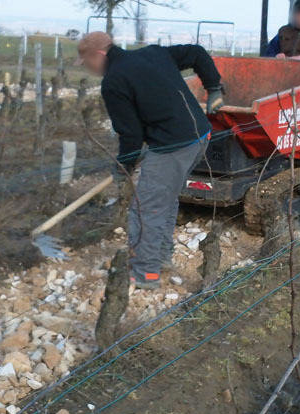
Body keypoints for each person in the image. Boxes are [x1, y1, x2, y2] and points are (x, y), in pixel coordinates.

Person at [77, 31, 224, 290]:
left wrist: (125, 165)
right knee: (164, 201)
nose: (87, 67)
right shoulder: (153, 53)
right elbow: (197, 52)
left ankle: (146, 273)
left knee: (146, 207)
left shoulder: (113, 81)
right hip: (200, 136)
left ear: (99, 54)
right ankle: (161, 259)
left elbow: (131, 134)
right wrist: (214, 87)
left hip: (173, 145)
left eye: (86, 61)